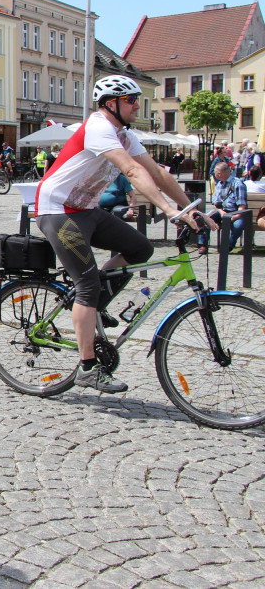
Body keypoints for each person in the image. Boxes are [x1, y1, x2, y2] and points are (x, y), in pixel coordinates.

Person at [35, 75, 209, 394]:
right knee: (87, 285)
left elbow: (157, 174)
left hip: (85, 210)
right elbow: (132, 171)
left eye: (137, 100)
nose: (137, 106)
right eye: (131, 100)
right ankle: (88, 368)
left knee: (140, 249)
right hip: (57, 210)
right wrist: (168, 210)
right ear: (110, 103)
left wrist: (191, 208)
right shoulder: (98, 127)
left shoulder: (125, 135)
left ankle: (96, 306)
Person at [197, 161, 247, 255]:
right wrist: (221, 212)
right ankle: (203, 244)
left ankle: (229, 245)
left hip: (236, 212)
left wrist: (236, 216)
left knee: (237, 226)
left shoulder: (237, 183)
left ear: (219, 174)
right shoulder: (219, 184)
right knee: (204, 219)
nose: (214, 175)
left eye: (215, 173)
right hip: (222, 211)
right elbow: (216, 203)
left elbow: (242, 205)